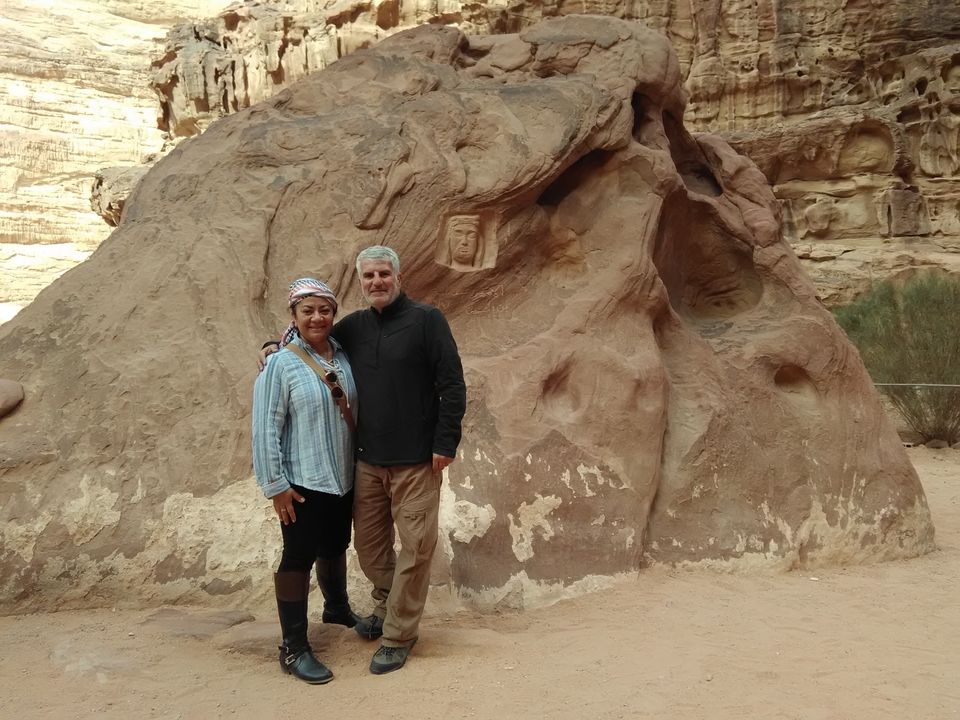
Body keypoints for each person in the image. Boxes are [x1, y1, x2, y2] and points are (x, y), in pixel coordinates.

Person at [260, 246, 466, 675]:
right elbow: (310, 342)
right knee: (371, 551)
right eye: (368, 276)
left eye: (383, 274)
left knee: (414, 549)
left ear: (398, 275)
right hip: (368, 464)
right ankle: (390, 606)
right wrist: (272, 348)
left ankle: (398, 634)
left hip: (416, 462)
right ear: (360, 281)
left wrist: (445, 443)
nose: (376, 282)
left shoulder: (428, 320)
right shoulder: (352, 328)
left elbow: (452, 383)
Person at [252, 278, 361, 685]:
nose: (317, 317)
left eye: (325, 310)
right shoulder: (280, 363)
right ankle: (294, 648)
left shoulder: (343, 357)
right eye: (308, 310)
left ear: (333, 313)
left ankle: (336, 609)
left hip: (342, 477)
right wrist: (275, 484)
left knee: (334, 546)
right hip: (302, 480)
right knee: (297, 556)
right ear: (294, 316)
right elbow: (265, 427)